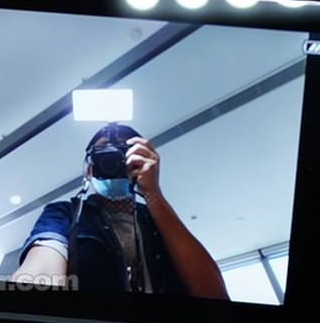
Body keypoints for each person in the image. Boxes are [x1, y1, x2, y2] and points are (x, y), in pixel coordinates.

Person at [12, 123, 229, 300]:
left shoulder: (159, 221)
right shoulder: (67, 213)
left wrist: (153, 193)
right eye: (104, 154)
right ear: (90, 168)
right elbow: (40, 272)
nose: (113, 161)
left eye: (123, 154)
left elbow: (213, 295)